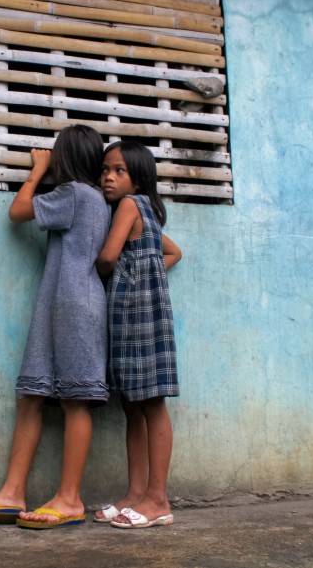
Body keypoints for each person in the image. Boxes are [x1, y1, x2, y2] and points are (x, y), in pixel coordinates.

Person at [0, 124, 111, 530]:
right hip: (56, 303)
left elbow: (18, 212)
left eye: (56, 154)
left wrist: (37, 171)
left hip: (75, 306)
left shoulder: (76, 193)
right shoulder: (94, 199)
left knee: (75, 399)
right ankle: (11, 493)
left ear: (65, 157)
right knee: (31, 393)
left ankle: (70, 499)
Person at [93, 141, 182, 529]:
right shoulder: (148, 211)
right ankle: (135, 494)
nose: (108, 177)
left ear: (139, 178)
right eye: (105, 170)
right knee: (134, 405)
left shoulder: (130, 207)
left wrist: (100, 272)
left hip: (137, 318)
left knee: (150, 404)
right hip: (143, 315)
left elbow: (109, 257)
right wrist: (148, 270)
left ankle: (158, 499)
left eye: (118, 171)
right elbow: (173, 253)